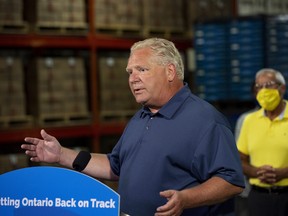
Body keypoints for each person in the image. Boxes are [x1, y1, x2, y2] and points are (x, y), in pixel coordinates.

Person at [22, 38, 244, 216]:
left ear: (170, 72)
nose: (133, 79)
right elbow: (115, 165)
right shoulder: (142, 117)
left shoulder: (205, 120)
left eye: (142, 70)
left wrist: (186, 199)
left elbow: (231, 181)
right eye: (130, 72)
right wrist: (62, 155)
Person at [237, 68, 288, 216]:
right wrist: (257, 172)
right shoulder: (248, 121)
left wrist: (283, 173)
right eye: (259, 87)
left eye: (269, 85)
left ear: (282, 88)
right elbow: (240, 159)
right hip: (259, 198)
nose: (263, 90)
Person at [234, 81, 258, 216]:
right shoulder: (245, 120)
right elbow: (238, 156)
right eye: (258, 88)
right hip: (249, 191)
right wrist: (256, 173)